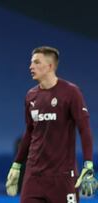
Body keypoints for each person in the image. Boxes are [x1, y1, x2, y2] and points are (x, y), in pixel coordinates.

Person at [6, 46, 97, 203]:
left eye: (36, 62)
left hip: (62, 178)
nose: (31, 67)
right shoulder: (30, 96)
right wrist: (17, 164)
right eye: (31, 63)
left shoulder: (71, 92)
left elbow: (84, 129)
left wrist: (88, 164)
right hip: (33, 177)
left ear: (50, 66)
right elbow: (29, 132)